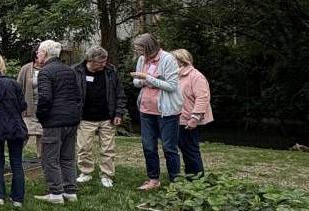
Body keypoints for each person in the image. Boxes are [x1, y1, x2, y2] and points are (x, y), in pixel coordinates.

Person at [131, 33, 183, 190]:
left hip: (167, 112)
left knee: (169, 148)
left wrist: (148, 78)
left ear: (149, 47)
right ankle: (153, 179)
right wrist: (147, 80)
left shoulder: (168, 59)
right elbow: (136, 82)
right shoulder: (142, 60)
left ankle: (175, 182)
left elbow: (171, 86)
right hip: (146, 110)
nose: (138, 52)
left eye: (140, 49)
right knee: (148, 146)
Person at [34, 39, 82, 204]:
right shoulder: (70, 70)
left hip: (54, 120)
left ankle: (55, 193)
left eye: (38, 52)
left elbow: (45, 98)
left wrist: (41, 116)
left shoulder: (45, 72)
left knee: (50, 158)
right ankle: (70, 191)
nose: (37, 55)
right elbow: (78, 95)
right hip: (71, 119)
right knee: (68, 157)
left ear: (45, 53)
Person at [73, 46, 127, 188]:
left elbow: (120, 93)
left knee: (108, 149)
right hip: (85, 117)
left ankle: (106, 175)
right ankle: (86, 172)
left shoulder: (111, 71)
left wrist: (118, 113)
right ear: (90, 60)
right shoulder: (76, 71)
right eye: (100, 62)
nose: (104, 64)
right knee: (84, 148)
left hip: (107, 117)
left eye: (105, 61)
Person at [0, 54, 27, 207]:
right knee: (16, 162)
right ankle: (17, 199)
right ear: (2, 66)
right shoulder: (14, 84)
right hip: (15, 126)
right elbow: (23, 106)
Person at [173, 48, 212, 178]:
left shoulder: (196, 76)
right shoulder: (176, 76)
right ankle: (190, 176)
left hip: (190, 119)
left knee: (190, 149)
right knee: (184, 148)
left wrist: (195, 118)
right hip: (179, 117)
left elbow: (202, 98)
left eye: (173, 60)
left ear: (181, 61)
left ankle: (197, 179)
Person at [17, 49, 44, 158]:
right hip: (29, 108)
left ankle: (41, 159)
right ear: (35, 56)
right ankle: (16, 157)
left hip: (43, 109)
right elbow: (18, 87)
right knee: (25, 133)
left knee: (43, 135)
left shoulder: (48, 68)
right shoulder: (26, 68)